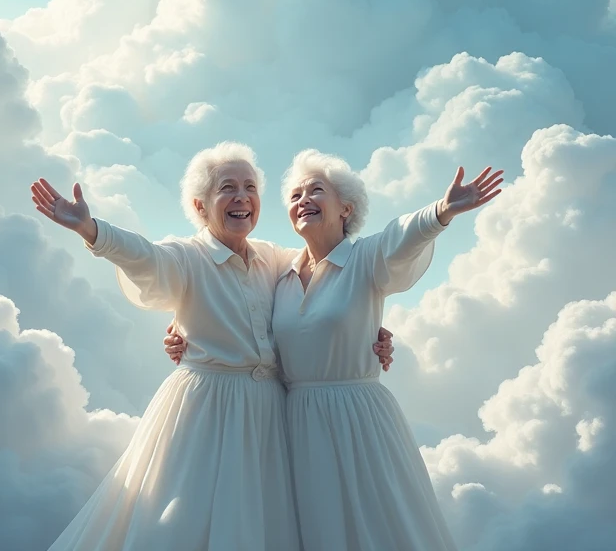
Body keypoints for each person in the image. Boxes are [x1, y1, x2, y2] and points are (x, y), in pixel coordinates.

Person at [31, 141, 392, 551]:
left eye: (250, 187)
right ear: (200, 206)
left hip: (268, 416)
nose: (242, 197)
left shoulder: (275, 259)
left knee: (262, 525)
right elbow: (146, 258)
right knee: (180, 521)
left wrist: (369, 333)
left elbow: (331, 285)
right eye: (227, 188)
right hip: (206, 411)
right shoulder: (187, 257)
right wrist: (93, 230)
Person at [165, 152, 503, 551]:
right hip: (293, 421)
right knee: (312, 529)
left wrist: (441, 211)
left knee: (373, 523)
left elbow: (401, 237)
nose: (303, 199)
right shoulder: (281, 273)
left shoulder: (365, 259)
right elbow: (237, 308)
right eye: (294, 195)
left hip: (355, 416)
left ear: (346, 208)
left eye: (316, 191)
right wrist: (181, 328)